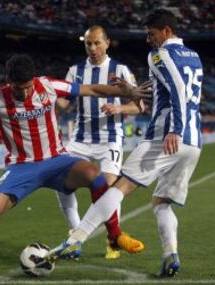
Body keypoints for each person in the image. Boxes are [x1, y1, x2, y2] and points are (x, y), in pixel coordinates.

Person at [0, 54, 151, 281]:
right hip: (21, 167)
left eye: (28, 87)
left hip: (56, 161)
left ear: (33, 80)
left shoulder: (47, 86)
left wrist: (127, 93)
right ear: (9, 82)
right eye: (19, 89)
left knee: (94, 175)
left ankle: (114, 236)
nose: (25, 92)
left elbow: (93, 90)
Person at [50, 9, 203, 278]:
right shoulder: (194, 56)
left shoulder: (159, 54)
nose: (148, 40)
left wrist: (174, 130)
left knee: (119, 187)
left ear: (166, 31)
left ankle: (77, 238)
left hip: (166, 136)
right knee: (161, 201)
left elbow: (178, 91)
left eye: (151, 34)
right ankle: (171, 255)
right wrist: (132, 91)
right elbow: (168, 91)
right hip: (194, 142)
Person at [56, 25, 145, 259]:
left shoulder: (120, 70)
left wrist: (119, 106)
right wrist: (51, 97)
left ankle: (112, 239)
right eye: (88, 44)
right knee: (61, 183)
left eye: (97, 43)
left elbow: (139, 106)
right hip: (80, 139)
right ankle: (75, 236)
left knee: (108, 188)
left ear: (107, 43)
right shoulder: (74, 71)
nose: (93, 48)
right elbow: (64, 103)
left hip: (110, 139)